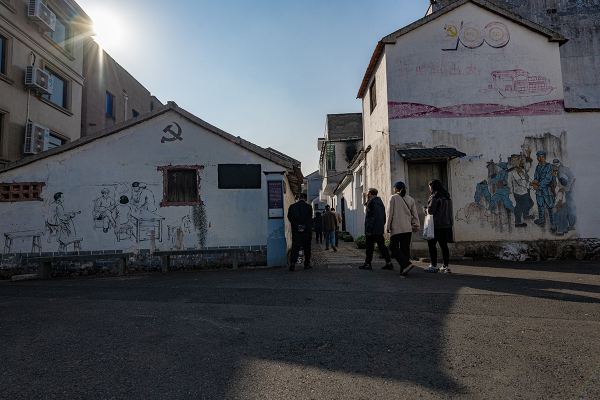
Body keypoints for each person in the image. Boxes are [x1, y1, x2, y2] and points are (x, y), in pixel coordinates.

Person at [386, 181, 419, 276]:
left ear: (396, 189)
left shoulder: (393, 198)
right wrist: (416, 225)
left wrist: (388, 226)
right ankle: (404, 269)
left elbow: (390, 214)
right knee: (405, 248)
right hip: (407, 228)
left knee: (393, 248)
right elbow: (415, 214)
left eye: (394, 188)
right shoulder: (410, 199)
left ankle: (406, 264)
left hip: (396, 227)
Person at [422, 180, 453, 273]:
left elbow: (431, 211)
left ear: (433, 187)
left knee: (432, 245)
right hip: (446, 225)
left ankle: (434, 265)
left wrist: (424, 209)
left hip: (436, 225)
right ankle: (446, 266)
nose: (429, 189)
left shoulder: (435, 197)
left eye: (430, 187)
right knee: (444, 246)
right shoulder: (447, 196)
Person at [360, 188, 393, 270]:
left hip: (372, 229)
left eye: (368, 194)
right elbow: (384, 217)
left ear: (370, 194)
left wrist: (368, 230)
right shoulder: (381, 203)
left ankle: (368, 264)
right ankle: (389, 262)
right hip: (379, 229)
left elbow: (370, 217)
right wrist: (381, 225)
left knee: (369, 247)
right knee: (382, 246)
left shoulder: (371, 202)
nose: (367, 195)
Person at [530, 151, 556, 230]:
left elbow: (548, 179)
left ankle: (553, 222)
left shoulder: (549, 166)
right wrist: (534, 181)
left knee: (550, 206)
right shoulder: (537, 167)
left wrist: (538, 186)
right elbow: (536, 177)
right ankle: (541, 219)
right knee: (540, 205)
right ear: (537, 158)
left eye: (542, 157)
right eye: (539, 157)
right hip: (539, 191)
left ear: (545, 158)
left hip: (547, 190)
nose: (541, 158)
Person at [287, 193, 313, 271]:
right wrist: (303, 227)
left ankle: (292, 263)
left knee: (295, 247)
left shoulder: (292, 207)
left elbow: (290, 217)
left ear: (299, 198)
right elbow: (309, 219)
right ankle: (307, 264)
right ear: (306, 199)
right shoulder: (309, 207)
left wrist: (297, 226)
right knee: (307, 247)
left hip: (296, 230)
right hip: (306, 231)